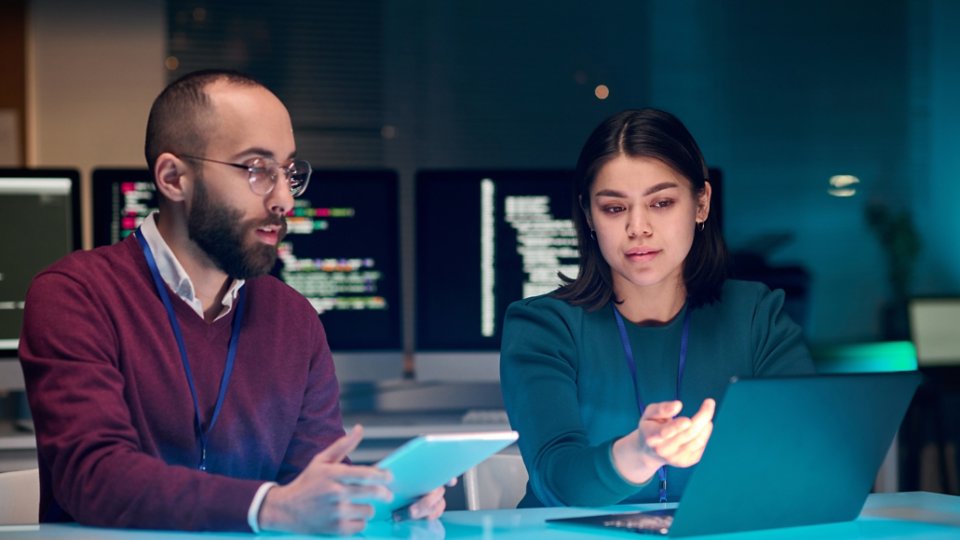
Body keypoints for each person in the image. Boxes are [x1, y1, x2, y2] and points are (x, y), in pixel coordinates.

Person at [18, 69, 446, 534]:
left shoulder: (294, 318)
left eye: (288, 171)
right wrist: (269, 507)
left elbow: (305, 484)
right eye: (257, 170)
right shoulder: (75, 295)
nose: (284, 198)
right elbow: (95, 478)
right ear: (173, 178)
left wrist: (375, 500)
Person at [499, 108, 814, 508]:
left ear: (701, 203)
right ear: (589, 216)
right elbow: (558, 481)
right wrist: (641, 453)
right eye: (614, 208)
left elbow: (804, 458)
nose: (638, 227)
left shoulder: (756, 315)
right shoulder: (542, 326)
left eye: (661, 203)